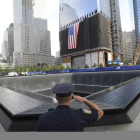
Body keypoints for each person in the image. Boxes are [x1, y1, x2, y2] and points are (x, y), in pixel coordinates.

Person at [36, 83, 104, 132]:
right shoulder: (80, 115)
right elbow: (100, 112)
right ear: (71, 97)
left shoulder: (43, 118)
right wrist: (85, 100)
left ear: (56, 98)